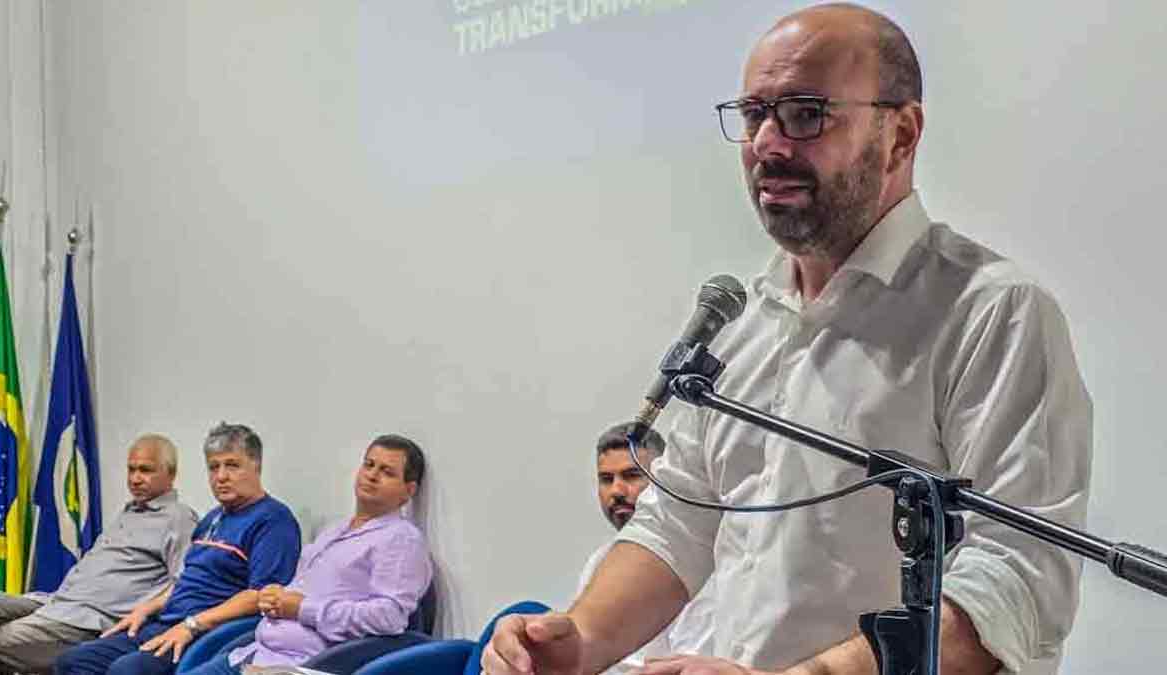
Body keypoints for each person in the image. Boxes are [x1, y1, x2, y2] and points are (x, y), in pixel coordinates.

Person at [482, 4, 1091, 675]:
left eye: (806, 114)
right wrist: (581, 638)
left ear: (901, 134)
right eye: (754, 115)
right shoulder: (745, 320)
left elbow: (1017, 579)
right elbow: (678, 524)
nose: (768, 145)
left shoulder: (990, 311)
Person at [55, 423, 303, 675]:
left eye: (232, 465)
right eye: (213, 467)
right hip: (166, 622)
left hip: (210, 632)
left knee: (127, 670)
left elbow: (259, 596)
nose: (221, 477)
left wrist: (192, 624)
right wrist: (147, 608)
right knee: (74, 660)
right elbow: (187, 578)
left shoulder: (273, 521)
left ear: (256, 465)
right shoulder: (213, 518)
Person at [188, 434, 434, 674]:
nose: (371, 475)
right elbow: (304, 590)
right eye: (368, 465)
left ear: (408, 490)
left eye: (386, 472)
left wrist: (303, 608)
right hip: (253, 652)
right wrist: (275, 597)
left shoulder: (401, 539)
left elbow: (390, 618)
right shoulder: (333, 530)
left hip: (305, 665)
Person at [0, 434, 197, 675]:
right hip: (55, 601)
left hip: (86, 619)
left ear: (171, 474)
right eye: (131, 469)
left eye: (145, 470)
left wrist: (146, 609)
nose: (135, 479)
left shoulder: (179, 518)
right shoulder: (129, 512)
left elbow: (184, 582)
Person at [578, 423, 712, 675]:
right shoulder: (598, 563)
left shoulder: (699, 561)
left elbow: (694, 663)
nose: (616, 491)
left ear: (664, 480)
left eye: (631, 475)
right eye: (606, 479)